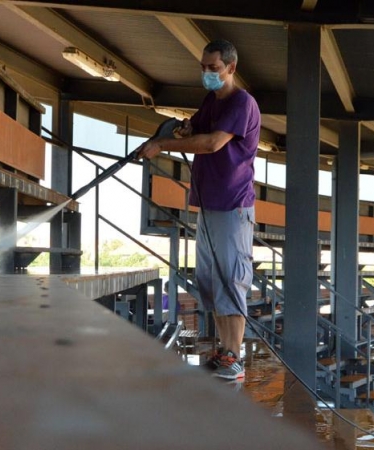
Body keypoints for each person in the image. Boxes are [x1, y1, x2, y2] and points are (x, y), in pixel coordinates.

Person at [138, 39, 260, 380]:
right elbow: (198, 130)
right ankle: (224, 351)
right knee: (211, 280)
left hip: (232, 205)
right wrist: (183, 129)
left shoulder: (241, 103)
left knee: (231, 280)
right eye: (204, 68)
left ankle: (234, 358)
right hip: (208, 204)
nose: (207, 73)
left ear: (231, 68)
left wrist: (162, 144)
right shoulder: (211, 100)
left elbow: (211, 143)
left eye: (214, 68)